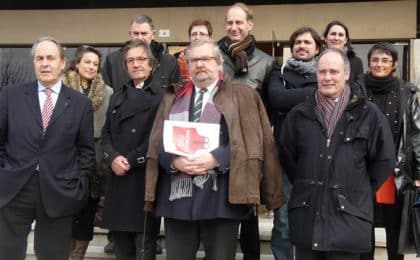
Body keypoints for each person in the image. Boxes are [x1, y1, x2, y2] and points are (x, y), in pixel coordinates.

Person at [144, 39, 284, 260]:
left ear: (219, 64)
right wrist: (173, 160)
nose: (200, 64)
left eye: (206, 59)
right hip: (177, 198)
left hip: (222, 197)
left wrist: (217, 158)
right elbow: (155, 143)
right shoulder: (172, 97)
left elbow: (253, 141)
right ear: (187, 66)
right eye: (194, 60)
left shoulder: (243, 95)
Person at [279, 48, 395, 260]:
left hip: (349, 220)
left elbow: (384, 159)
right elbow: (288, 157)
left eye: (334, 71)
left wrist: (358, 188)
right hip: (308, 219)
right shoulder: (299, 114)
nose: (327, 77)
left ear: (347, 74)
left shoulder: (369, 115)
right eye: (322, 72)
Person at [0, 36, 95, 260]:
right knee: (7, 253)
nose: (45, 63)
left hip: (59, 190)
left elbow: (86, 151)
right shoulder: (10, 96)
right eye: (39, 58)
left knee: (53, 255)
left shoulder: (80, 104)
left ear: (62, 62)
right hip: (14, 189)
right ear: (33, 62)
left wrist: (77, 184)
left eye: (50, 58)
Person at [217, 4, 276, 258]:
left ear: (250, 25)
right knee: (220, 207)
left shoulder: (266, 62)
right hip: (218, 141)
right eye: (230, 22)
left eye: (239, 22)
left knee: (249, 209)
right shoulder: (213, 57)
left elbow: (270, 108)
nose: (234, 27)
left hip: (249, 144)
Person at [100, 39, 164, 260]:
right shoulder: (117, 96)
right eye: (130, 61)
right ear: (125, 66)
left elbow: (157, 137)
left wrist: (130, 160)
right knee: (121, 245)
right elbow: (106, 132)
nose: (136, 64)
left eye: (141, 59)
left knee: (143, 245)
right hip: (117, 179)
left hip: (143, 179)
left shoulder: (163, 97)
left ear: (151, 64)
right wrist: (112, 158)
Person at [361, 42, 420, 260]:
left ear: (394, 64)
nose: (379, 64)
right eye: (375, 59)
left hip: (394, 170)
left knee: (394, 230)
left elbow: (416, 135)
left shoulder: (408, 92)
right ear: (369, 63)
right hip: (363, 169)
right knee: (363, 227)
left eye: (385, 60)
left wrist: (418, 174)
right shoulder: (357, 89)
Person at [268, 26, 322, 260]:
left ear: (317, 48)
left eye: (307, 42)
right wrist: (313, 95)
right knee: (283, 219)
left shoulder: (325, 73)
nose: (301, 46)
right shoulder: (277, 73)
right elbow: (277, 99)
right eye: (297, 42)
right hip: (283, 156)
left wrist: (290, 104)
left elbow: (328, 96)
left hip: (317, 155)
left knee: (315, 214)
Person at [62, 45, 113, 259]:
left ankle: (78, 255)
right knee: (65, 211)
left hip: (94, 160)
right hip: (65, 159)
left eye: (95, 63)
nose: (91, 67)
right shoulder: (61, 88)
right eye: (87, 62)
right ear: (76, 63)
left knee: (87, 211)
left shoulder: (108, 92)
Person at [102, 14, 180, 91]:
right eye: (136, 33)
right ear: (130, 34)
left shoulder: (169, 61)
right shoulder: (113, 60)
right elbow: (106, 93)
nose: (139, 38)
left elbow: (175, 95)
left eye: (144, 33)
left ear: (153, 34)